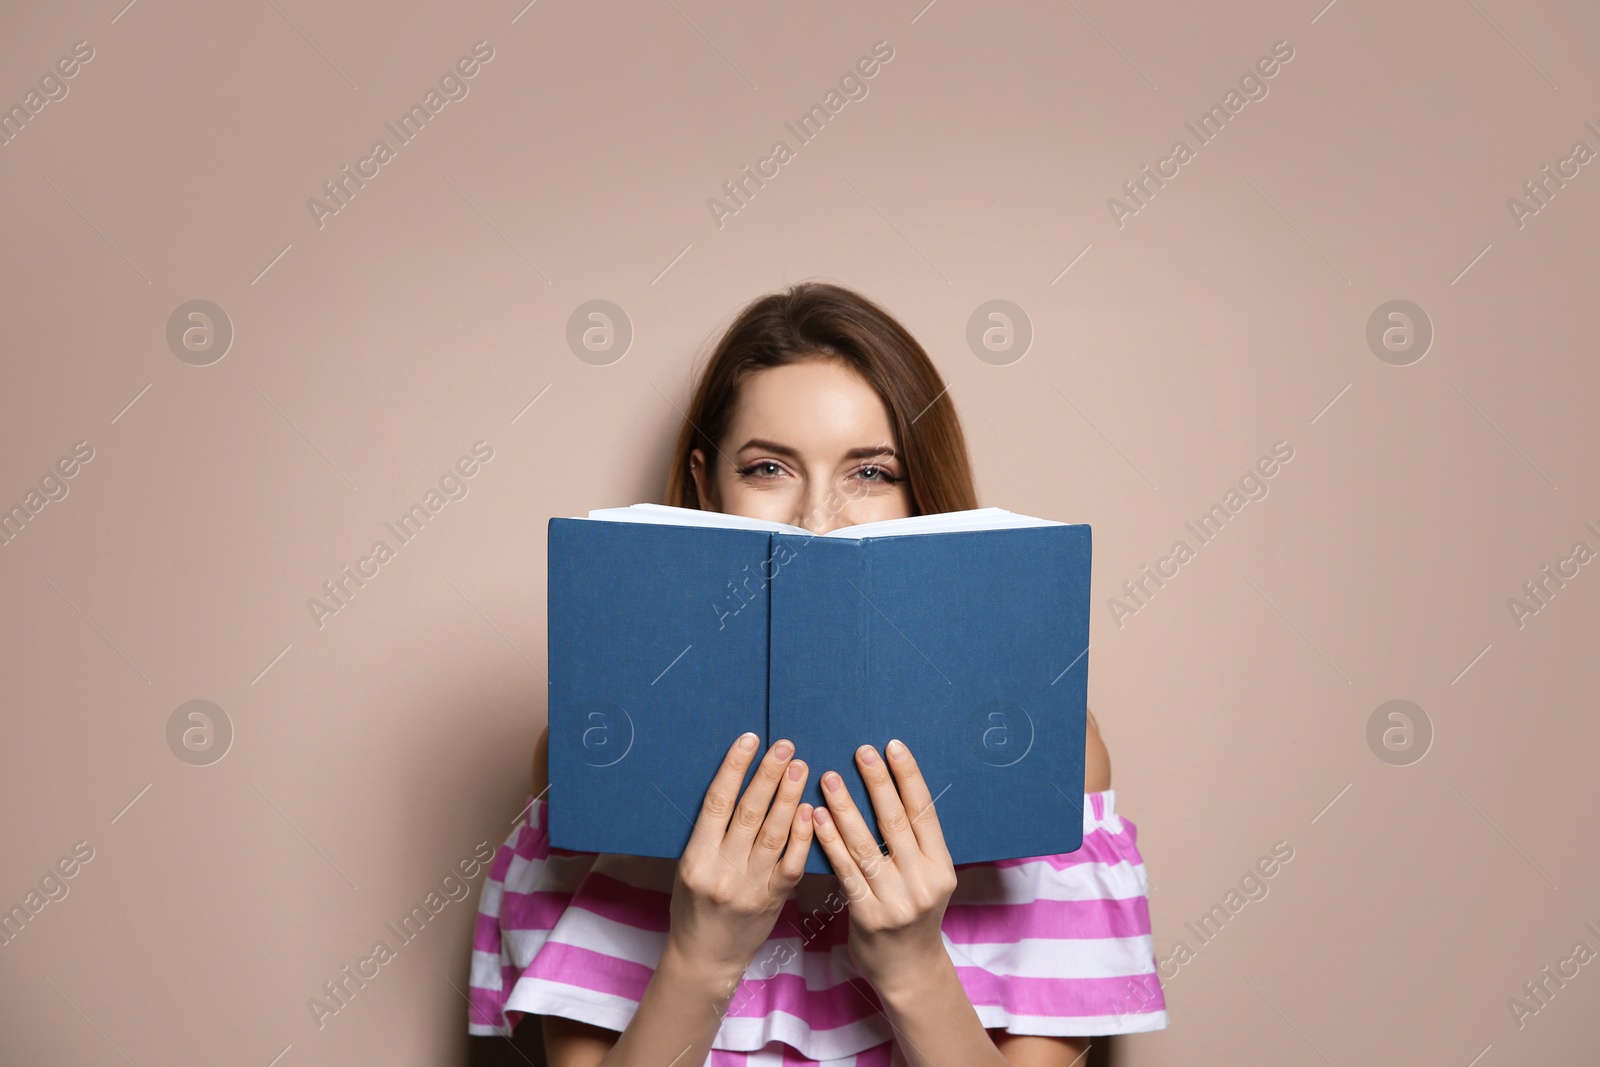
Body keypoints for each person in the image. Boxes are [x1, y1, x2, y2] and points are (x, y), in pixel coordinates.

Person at [467, 282, 1168, 1065]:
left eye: (870, 473)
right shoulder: (594, 754)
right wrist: (704, 955)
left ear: (920, 494)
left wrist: (911, 965)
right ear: (705, 484)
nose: (817, 520)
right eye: (769, 467)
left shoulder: (1048, 763)